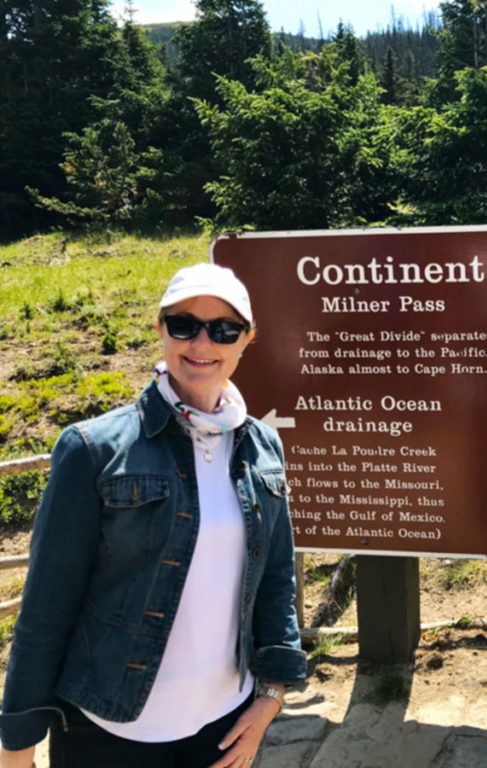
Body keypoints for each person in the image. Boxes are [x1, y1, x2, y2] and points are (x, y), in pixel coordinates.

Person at [0, 263, 306, 768]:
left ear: (247, 339)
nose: (202, 343)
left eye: (223, 329)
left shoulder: (261, 446)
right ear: (160, 328)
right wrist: (18, 747)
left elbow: (275, 581)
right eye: (184, 324)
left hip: (222, 726)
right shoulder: (94, 450)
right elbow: (46, 607)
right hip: (107, 728)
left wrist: (270, 696)